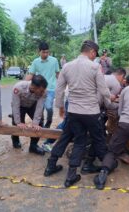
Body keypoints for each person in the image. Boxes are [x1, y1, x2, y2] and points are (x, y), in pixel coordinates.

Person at [53, 40, 112, 187]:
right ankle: (105, 168)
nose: (95, 57)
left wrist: (60, 106)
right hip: (91, 112)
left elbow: (59, 89)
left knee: (79, 141)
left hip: (73, 111)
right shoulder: (94, 66)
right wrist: (110, 102)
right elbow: (103, 90)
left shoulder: (66, 66)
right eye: (94, 54)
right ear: (92, 52)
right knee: (98, 138)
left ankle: (71, 176)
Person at [25, 42, 59, 148]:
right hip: (39, 89)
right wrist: (23, 84)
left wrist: (62, 86)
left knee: (48, 107)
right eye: (44, 52)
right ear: (39, 51)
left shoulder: (54, 61)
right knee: (39, 109)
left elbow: (58, 74)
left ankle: (48, 123)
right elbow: (30, 75)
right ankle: (42, 127)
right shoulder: (35, 62)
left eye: (47, 52)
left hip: (51, 89)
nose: (46, 54)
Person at [10, 75, 47, 155]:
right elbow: (15, 105)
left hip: (32, 105)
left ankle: (33, 146)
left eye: (43, 90)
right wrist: (18, 122)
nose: (42, 92)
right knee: (16, 124)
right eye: (40, 91)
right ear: (33, 87)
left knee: (39, 123)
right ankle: (15, 140)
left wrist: (35, 123)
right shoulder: (18, 88)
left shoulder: (43, 91)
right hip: (20, 105)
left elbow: (39, 107)